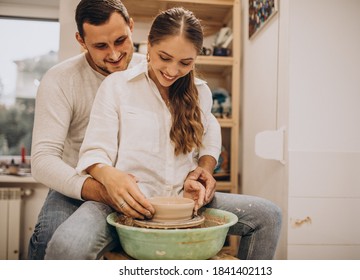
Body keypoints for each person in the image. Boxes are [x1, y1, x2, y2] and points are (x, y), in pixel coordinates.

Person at [76, 7, 282, 260]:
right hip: (124, 204)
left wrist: (204, 170)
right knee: (67, 245)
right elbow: (94, 151)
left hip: (185, 204)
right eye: (164, 57)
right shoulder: (117, 87)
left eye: (185, 62)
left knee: (269, 216)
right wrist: (108, 175)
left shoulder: (200, 92)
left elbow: (210, 134)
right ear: (149, 46)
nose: (172, 71)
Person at [28, 0, 145, 259]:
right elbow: (43, 160)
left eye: (120, 41)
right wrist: (103, 190)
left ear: (131, 27)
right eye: (101, 46)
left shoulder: (151, 71)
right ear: (81, 40)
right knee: (50, 240)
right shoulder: (60, 80)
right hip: (76, 185)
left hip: (139, 183)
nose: (114, 55)